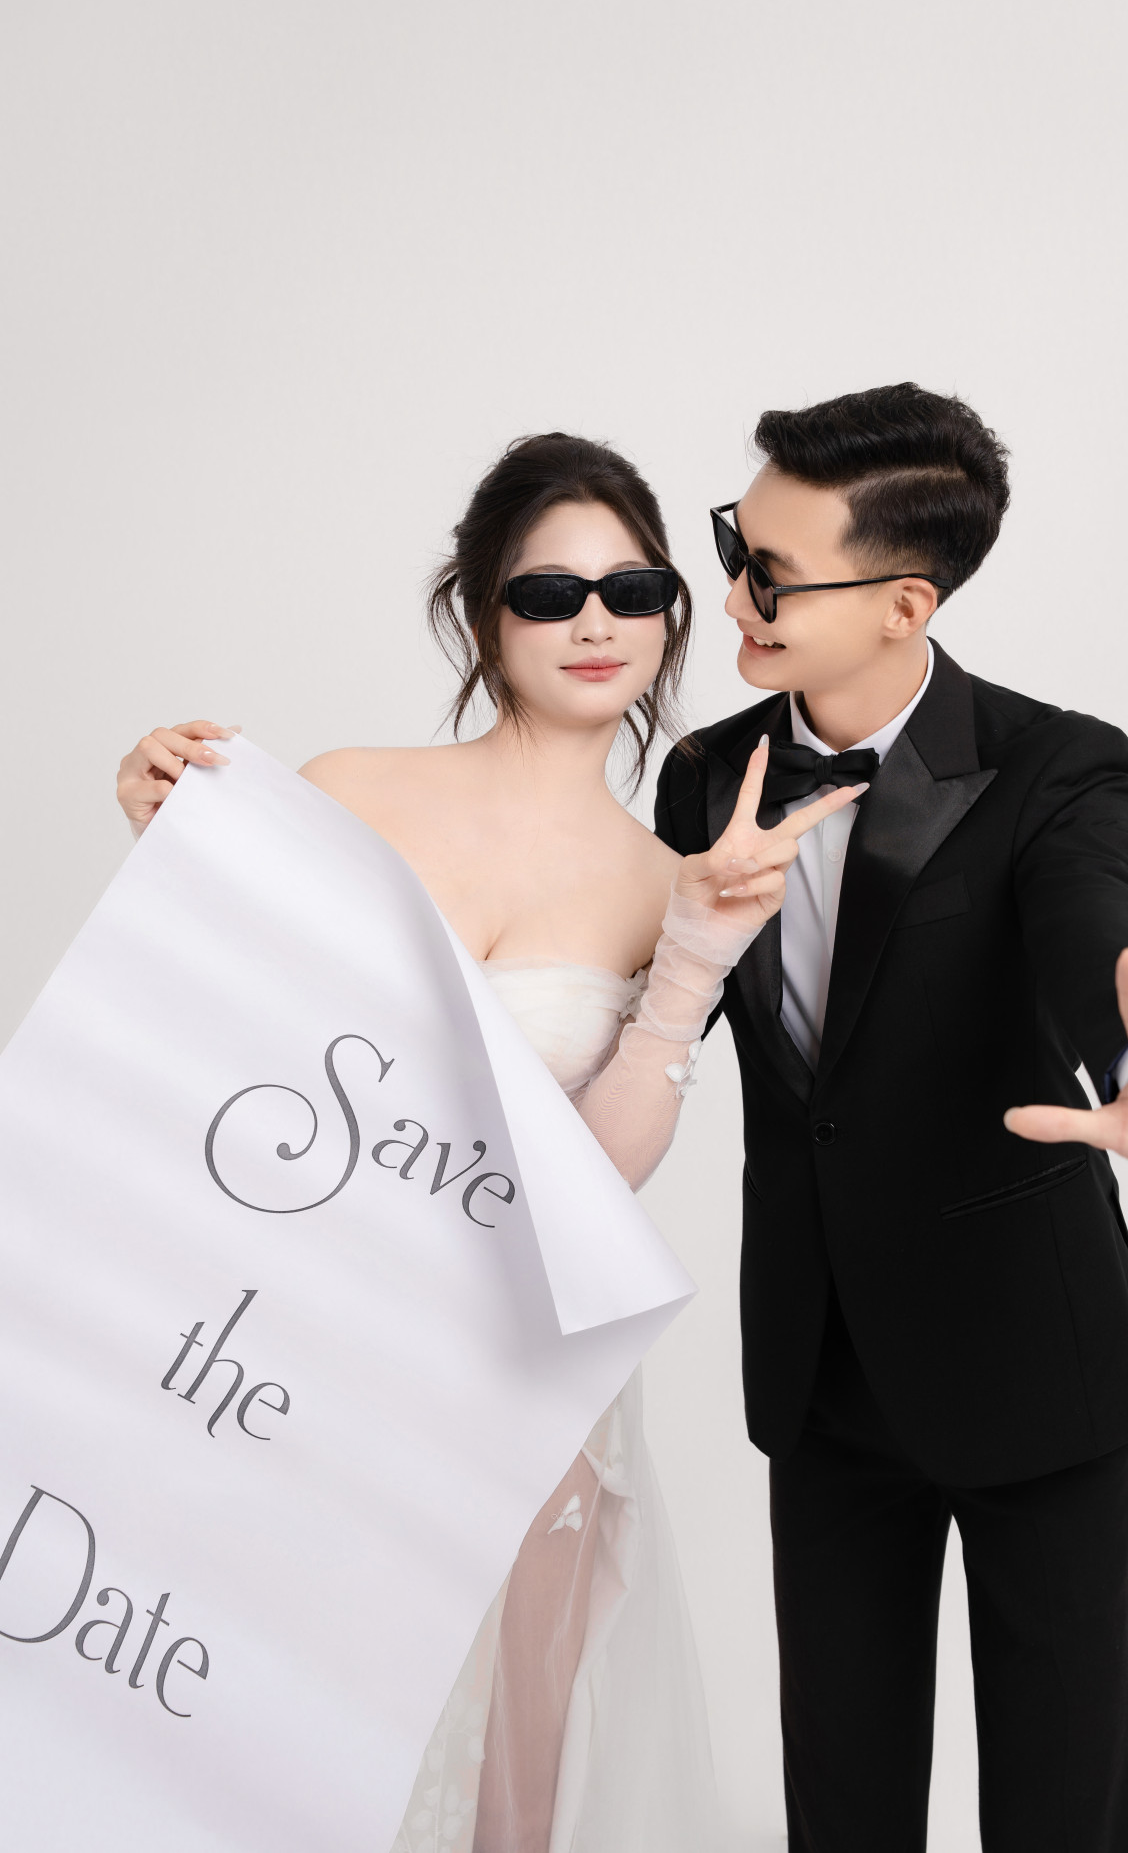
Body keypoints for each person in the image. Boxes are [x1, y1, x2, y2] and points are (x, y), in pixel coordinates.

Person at [114, 432, 860, 1853]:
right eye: (549, 594)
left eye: (634, 590)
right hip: (300, 1351)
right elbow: (223, 1054)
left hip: (521, 1371)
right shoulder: (346, 789)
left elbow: (599, 1181)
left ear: (671, 615)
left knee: (507, 1782)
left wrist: (692, 963)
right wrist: (163, 834)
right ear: (481, 612)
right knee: (256, 1734)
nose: (596, 623)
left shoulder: (666, 878)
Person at [654, 383, 1128, 1853]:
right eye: (736, 548)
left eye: (772, 575)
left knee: (1063, 1810)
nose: (732, 597)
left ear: (905, 603)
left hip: (1028, 1360)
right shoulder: (705, 776)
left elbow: (1101, 928)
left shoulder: (1060, 765)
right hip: (816, 1365)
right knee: (839, 1805)